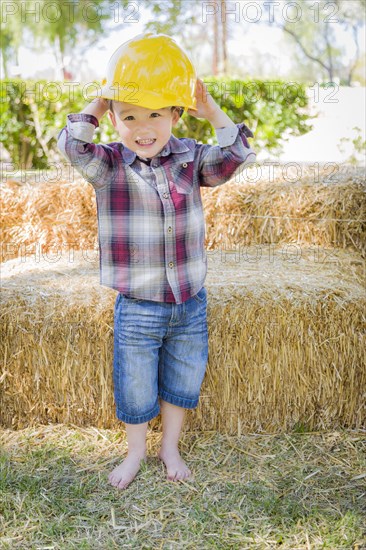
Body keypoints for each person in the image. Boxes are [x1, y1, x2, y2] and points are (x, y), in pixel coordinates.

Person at [57, 33, 256, 490]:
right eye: (128, 116)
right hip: (139, 306)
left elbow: (237, 155)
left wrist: (211, 112)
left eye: (154, 114)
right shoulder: (107, 165)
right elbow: (71, 145)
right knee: (136, 387)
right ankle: (135, 452)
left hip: (190, 302)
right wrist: (99, 101)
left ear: (174, 114)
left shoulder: (191, 158)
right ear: (113, 120)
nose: (142, 127)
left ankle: (170, 446)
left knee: (182, 381)